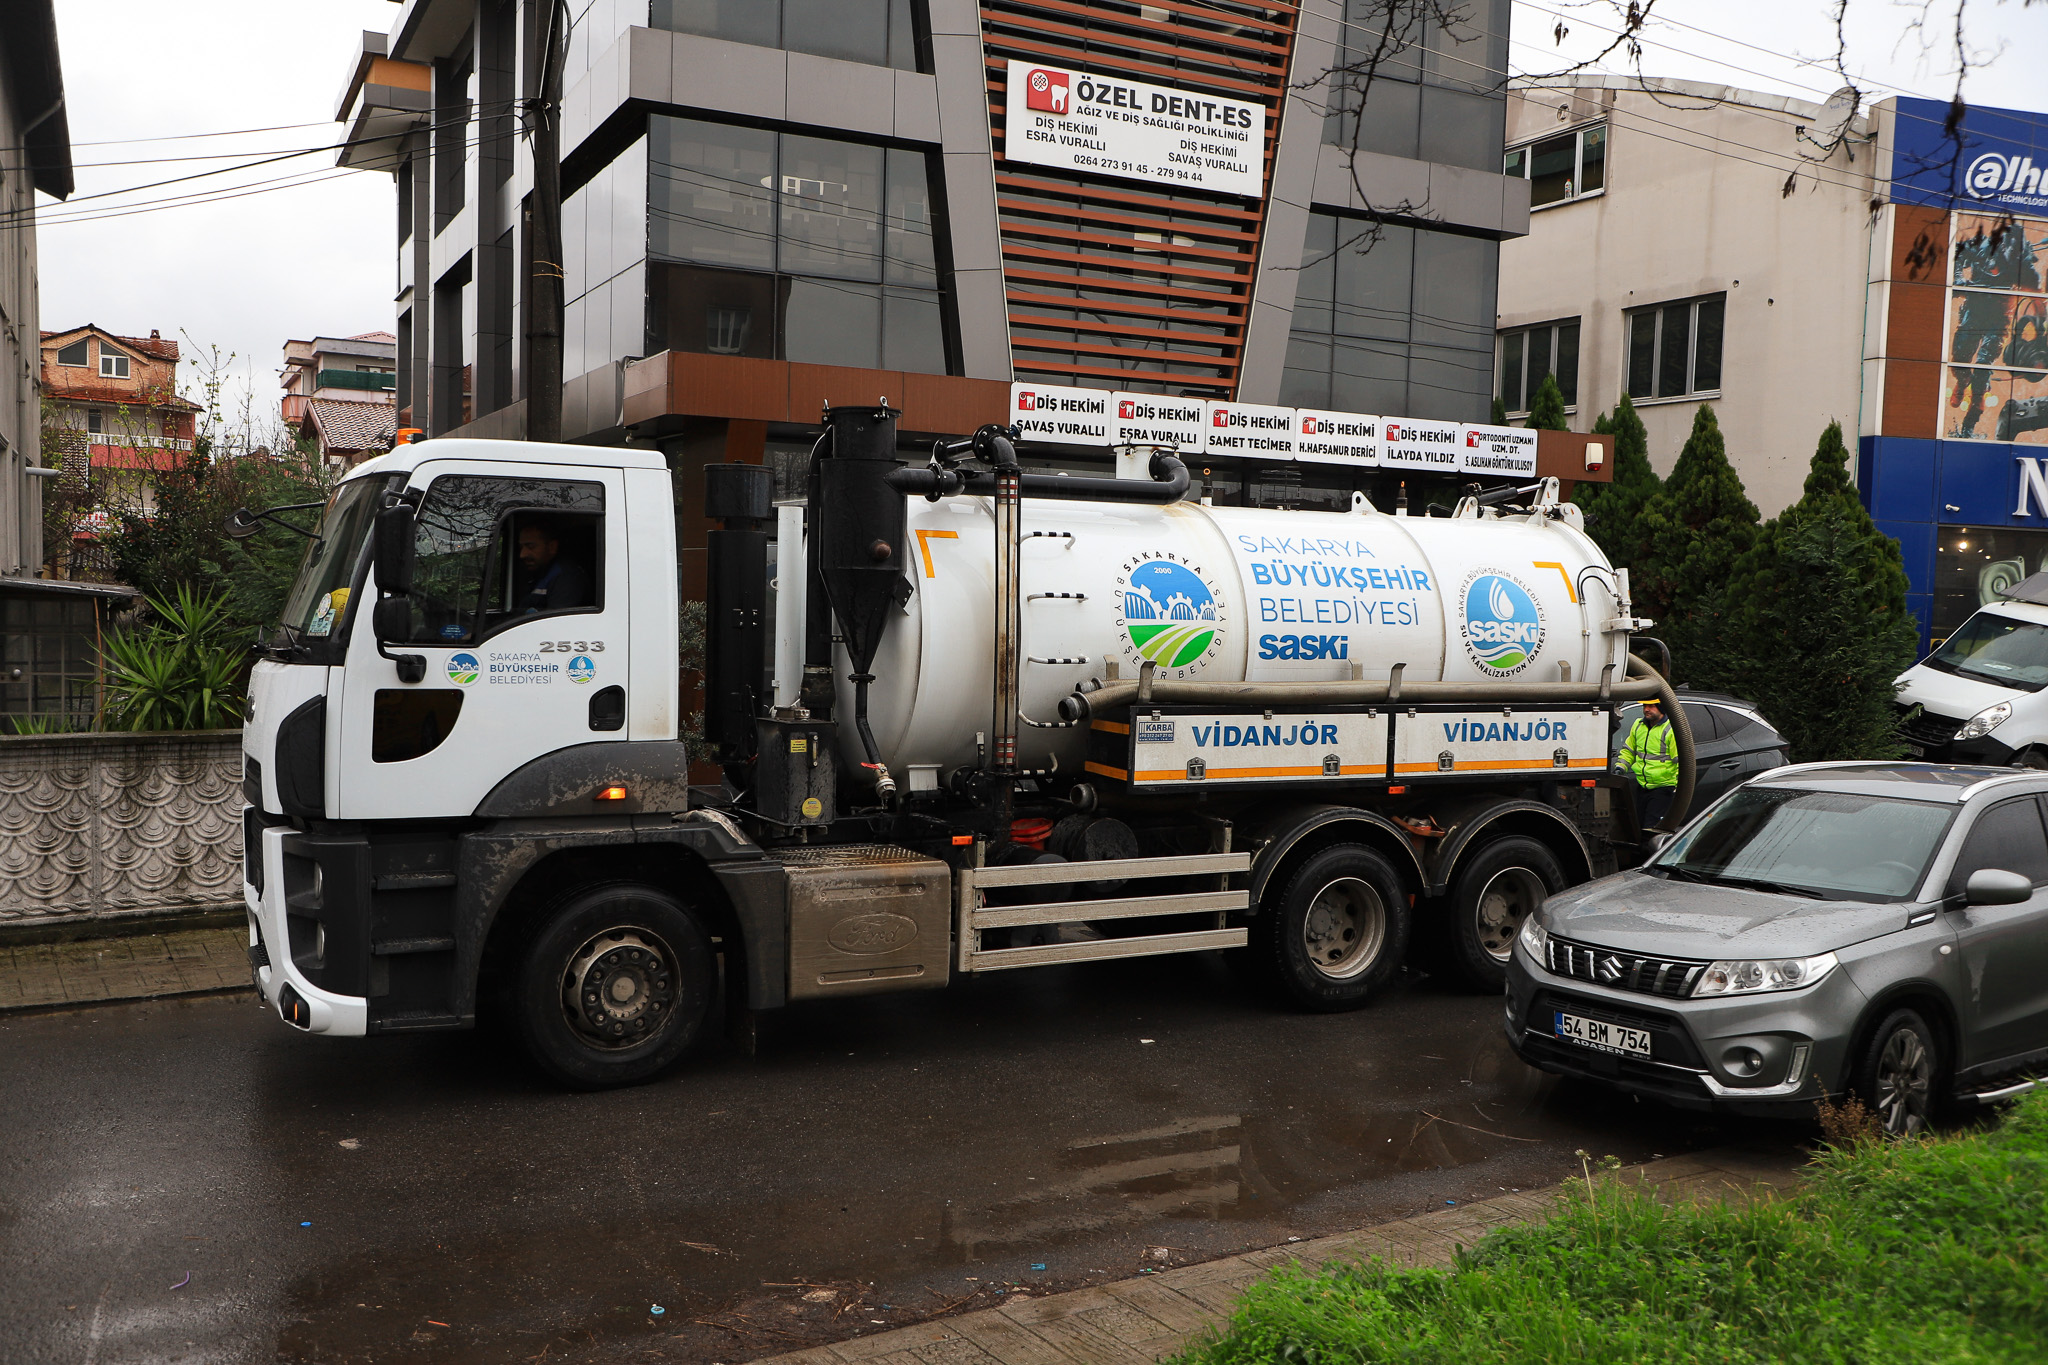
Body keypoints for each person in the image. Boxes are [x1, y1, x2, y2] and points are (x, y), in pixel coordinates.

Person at [1617, 699, 1680, 835]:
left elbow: (1679, 761)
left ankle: (1652, 849)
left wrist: (1676, 786)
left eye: (1651, 706)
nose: (1646, 709)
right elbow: (1629, 750)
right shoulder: (1639, 725)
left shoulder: (1670, 729)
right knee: (1638, 827)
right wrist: (1620, 767)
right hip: (1642, 786)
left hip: (1662, 787)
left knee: (1651, 829)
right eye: (1645, 705)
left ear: (1661, 708)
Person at [512, 519, 593, 614]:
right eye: (521, 547)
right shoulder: (538, 573)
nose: (522, 554)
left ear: (552, 546)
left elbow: (557, 620)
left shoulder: (566, 576)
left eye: (530, 547)